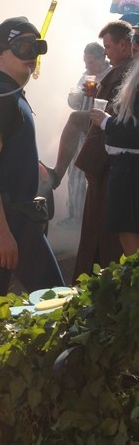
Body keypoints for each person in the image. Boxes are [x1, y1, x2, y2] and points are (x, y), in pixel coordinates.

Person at [0, 16, 65, 305]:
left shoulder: (9, 93)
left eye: (37, 47)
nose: (31, 56)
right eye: (23, 46)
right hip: (9, 217)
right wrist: (2, 232)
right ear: (1, 53)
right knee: (56, 301)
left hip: (6, 214)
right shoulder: (0, 95)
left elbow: (5, 153)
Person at [73, 20, 134, 279]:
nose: (107, 51)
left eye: (108, 47)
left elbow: (116, 126)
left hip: (119, 168)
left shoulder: (125, 75)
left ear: (125, 45)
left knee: (120, 237)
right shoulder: (121, 73)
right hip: (113, 164)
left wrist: (90, 163)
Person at [48, 42, 111, 222]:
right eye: (85, 62)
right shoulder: (85, 76)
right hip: (81, 133)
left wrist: (97, 92)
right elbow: (76, 104)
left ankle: (91, 217)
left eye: (90, 62)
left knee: (92, 173)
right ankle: (74, 216)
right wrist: (73, 96)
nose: (86, 66)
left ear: (102, 59)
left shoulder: (111, 74)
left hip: (101, 134)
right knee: (75, 172)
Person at [90, 55, 139, 257]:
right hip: (126, 168)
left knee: (129, 234)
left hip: (130, 169)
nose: (134, 43)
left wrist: (106, 123)